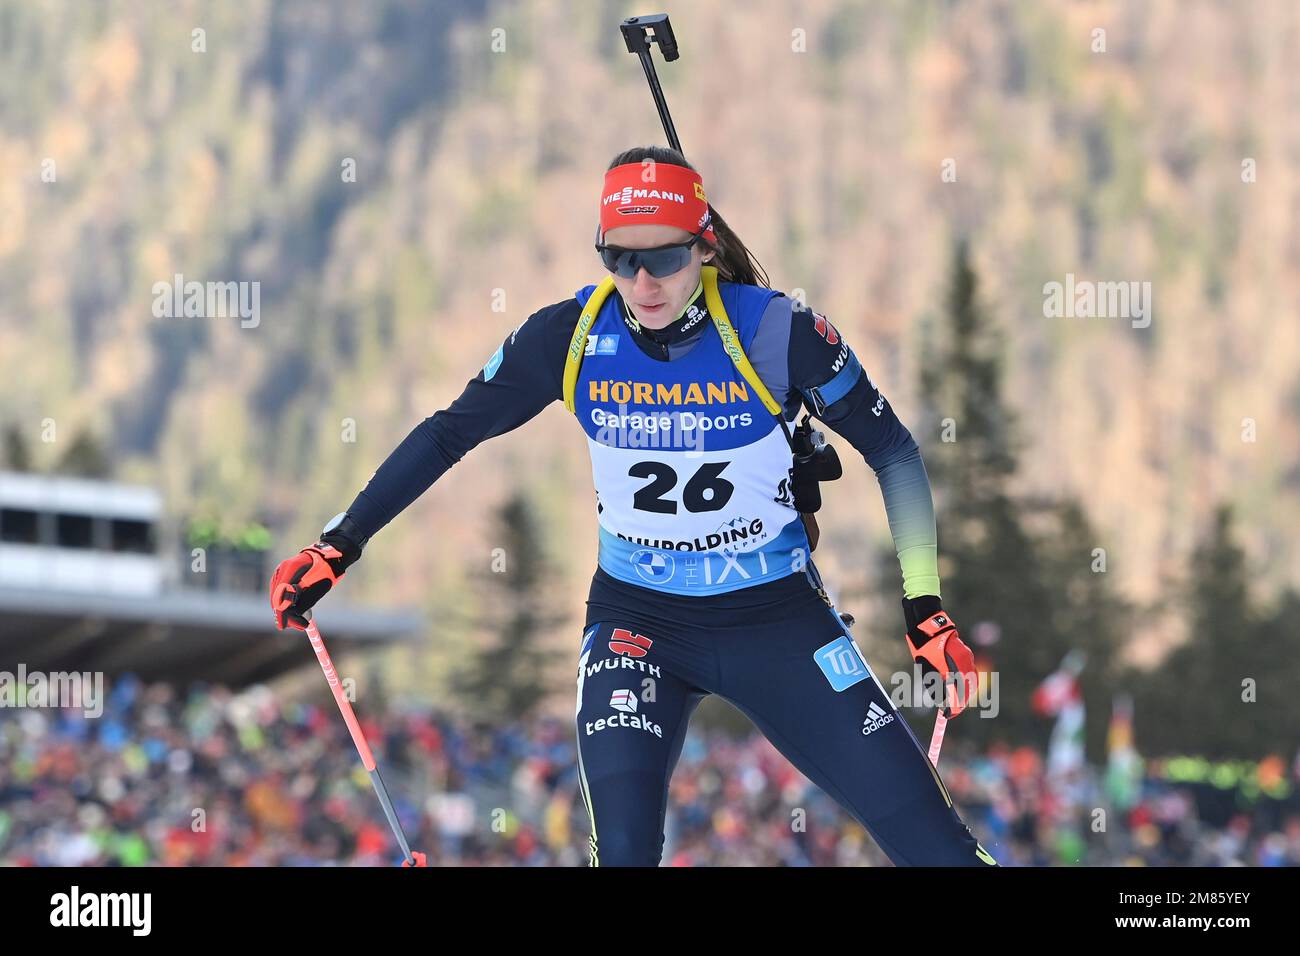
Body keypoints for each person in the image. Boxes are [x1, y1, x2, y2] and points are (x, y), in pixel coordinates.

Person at [270, 145, 996, 867]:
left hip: (775, 618)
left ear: (704, 248)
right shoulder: (572, 337)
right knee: (621, 852)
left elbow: (893, 452)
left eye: (666, 258)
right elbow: (450, 431)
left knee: (941, 854)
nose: (643, 282)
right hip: (639, 621)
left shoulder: (777, 332)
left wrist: (924, 607)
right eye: (620, 260)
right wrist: (340, 544)